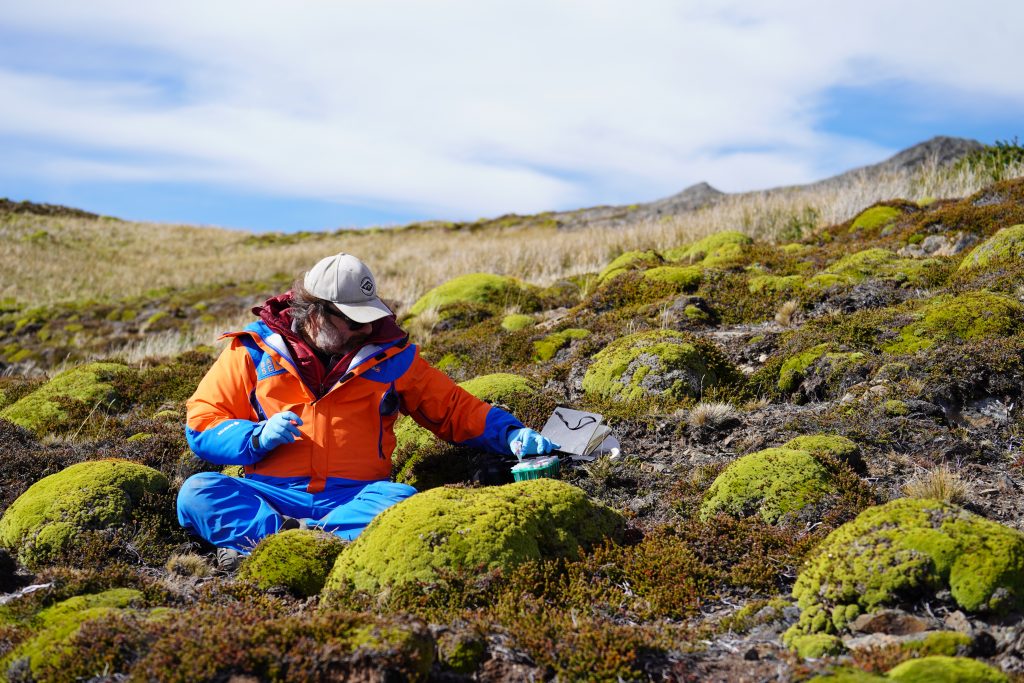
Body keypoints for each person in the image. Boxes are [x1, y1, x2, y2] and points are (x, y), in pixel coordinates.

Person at [177, 253, 556, 568]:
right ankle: (299, 541)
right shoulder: (254, 351)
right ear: (315, 313)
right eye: (353, 319)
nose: (367, 328)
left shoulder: (391, 356)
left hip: (358, 497)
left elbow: (453, 406)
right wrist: (255, 437)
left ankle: (282, 545)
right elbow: (202, 423)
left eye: (369, 316)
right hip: (271, 494)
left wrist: (509, 435)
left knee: (402, 499)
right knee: (198, 493)